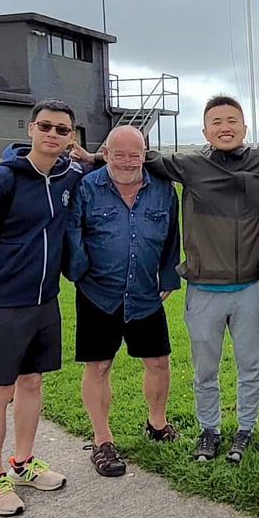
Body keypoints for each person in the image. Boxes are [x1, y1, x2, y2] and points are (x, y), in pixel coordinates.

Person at [75, 95, 259, 463]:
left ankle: (245, 429)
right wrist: (93, 158)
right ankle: (209, 430)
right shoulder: (187, 164)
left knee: (250, 369)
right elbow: (134, 156)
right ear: (204, 131)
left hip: (250, 289)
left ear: (245, 128)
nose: (225, 127)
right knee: (205, 371)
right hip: (202, 290)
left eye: (232, 120)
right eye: (216, 121)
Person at [0, 99, 80, 516]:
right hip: (3, 306)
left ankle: (23, 462)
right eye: (45, 126)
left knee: (31, 384)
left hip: (44, 302)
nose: (52, 134)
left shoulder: (68, 177)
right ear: (30, 129)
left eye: (62, 130)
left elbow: (108, 168)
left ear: (71, 138)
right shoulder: (2, 180)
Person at [65, 125, 181, 476]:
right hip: (98, 294)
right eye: (120, 154)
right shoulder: (87, 187)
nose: (128, 161)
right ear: (106, 152)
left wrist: (169, 275)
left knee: (158, 362)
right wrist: (81, 272)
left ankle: (157, 424)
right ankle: (102, 440)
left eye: (136, 154)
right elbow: (73, 233)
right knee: (99, 366)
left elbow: (172, 234)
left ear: (145, 153)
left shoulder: (163, 190)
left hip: (145, 292)